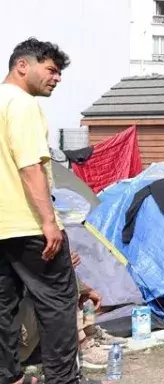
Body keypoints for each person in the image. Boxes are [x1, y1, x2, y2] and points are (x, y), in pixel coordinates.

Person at [0, 38, 81, 384]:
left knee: (3, 307)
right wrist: (49, 222)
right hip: (28, 224)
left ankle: (8, 376)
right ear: (22, 66)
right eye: (50, 70)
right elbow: (30, 165)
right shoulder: (21, 104)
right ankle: (63, 379)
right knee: (59, 303)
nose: (57, 78)